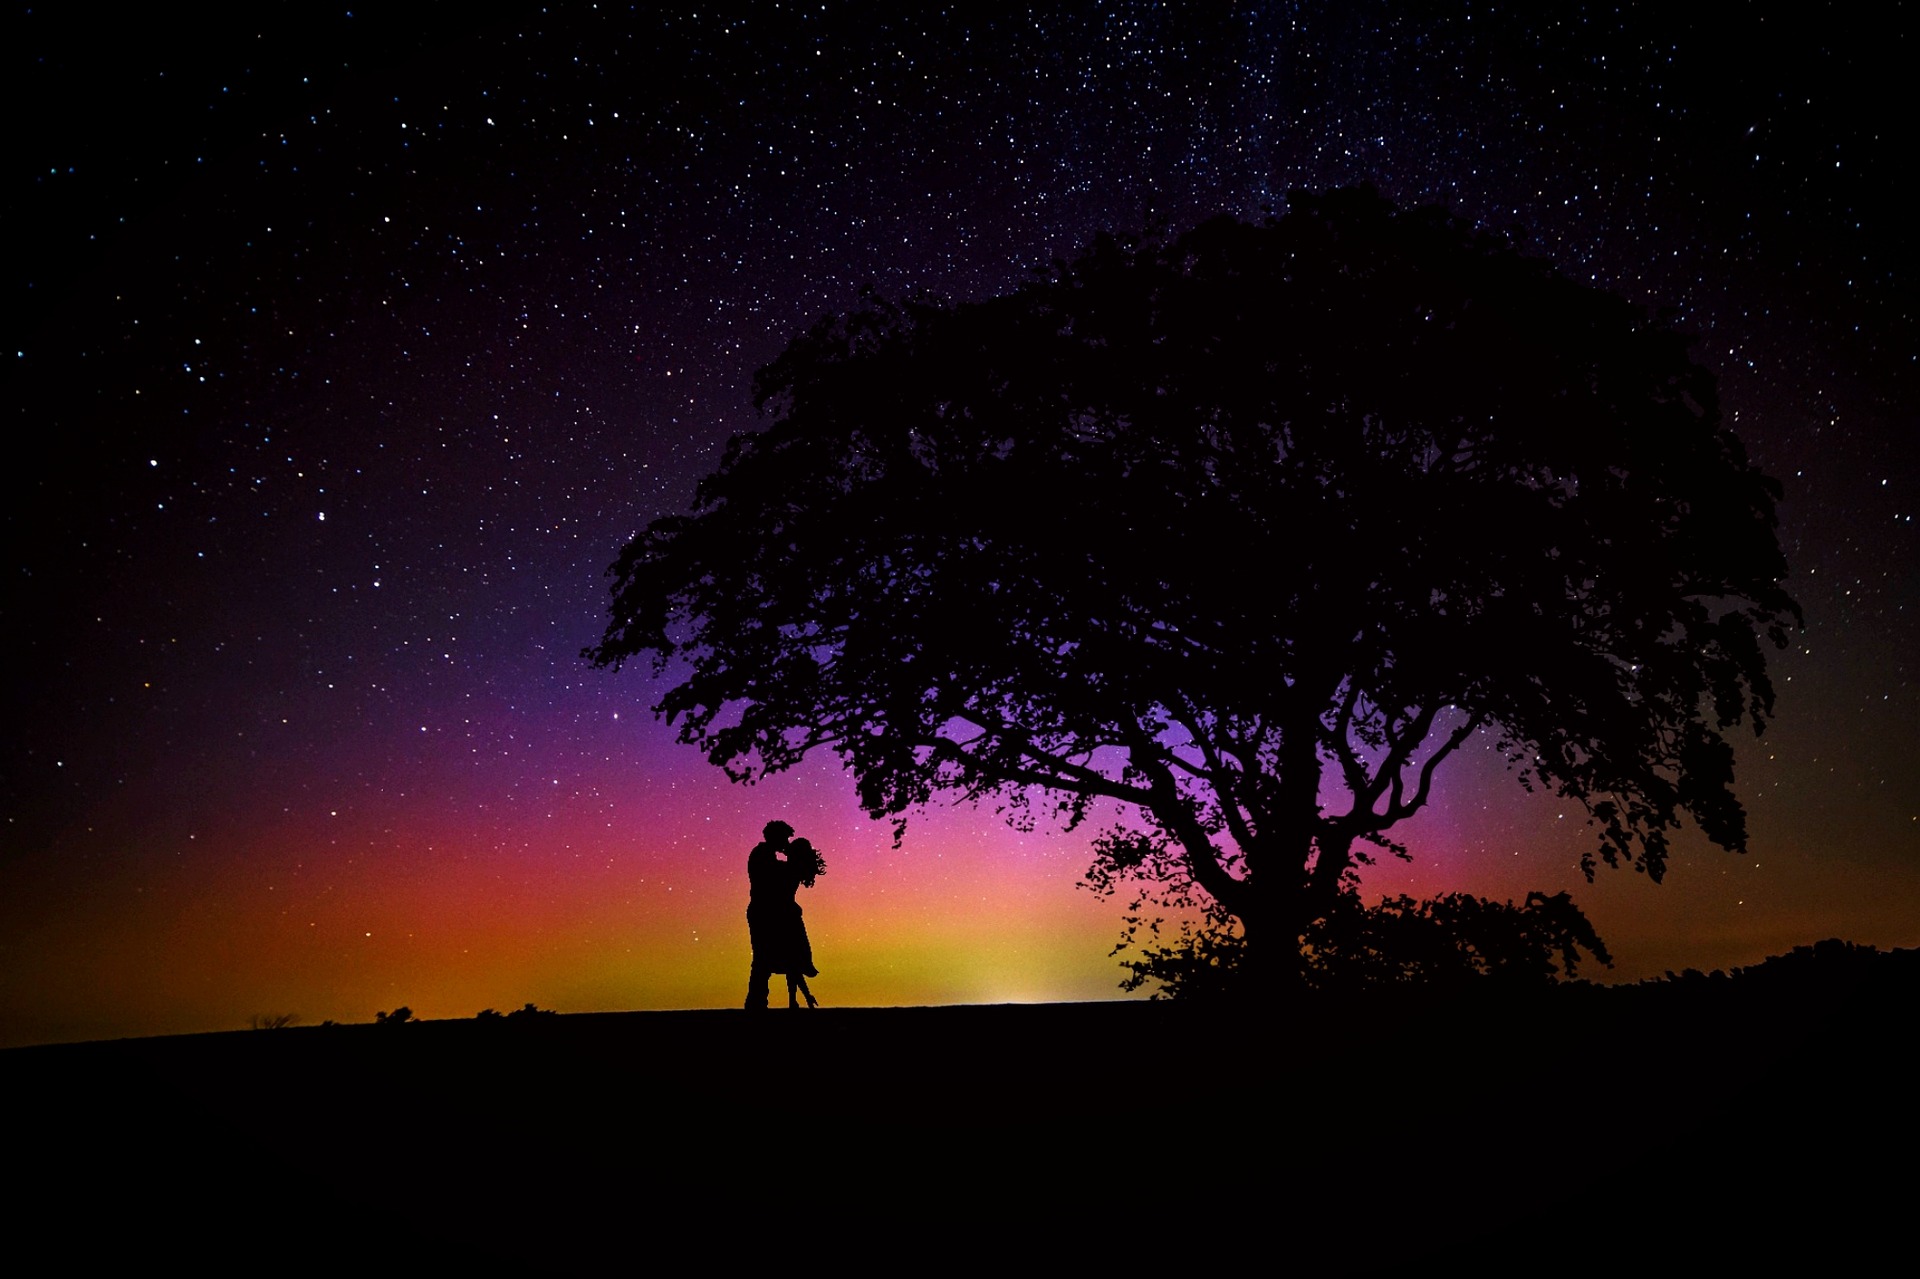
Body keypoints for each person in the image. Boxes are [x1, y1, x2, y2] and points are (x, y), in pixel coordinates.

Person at [743, 821, 824, 1009]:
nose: (787, 842)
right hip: (764, 913)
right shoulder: (763, 856)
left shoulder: (770, 858)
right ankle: (756, 1001)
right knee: (764, 957)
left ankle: (758, 1001)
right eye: (785, 838)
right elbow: (772, 877)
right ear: (776, 837)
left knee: (769, 958)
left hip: (771, 913)